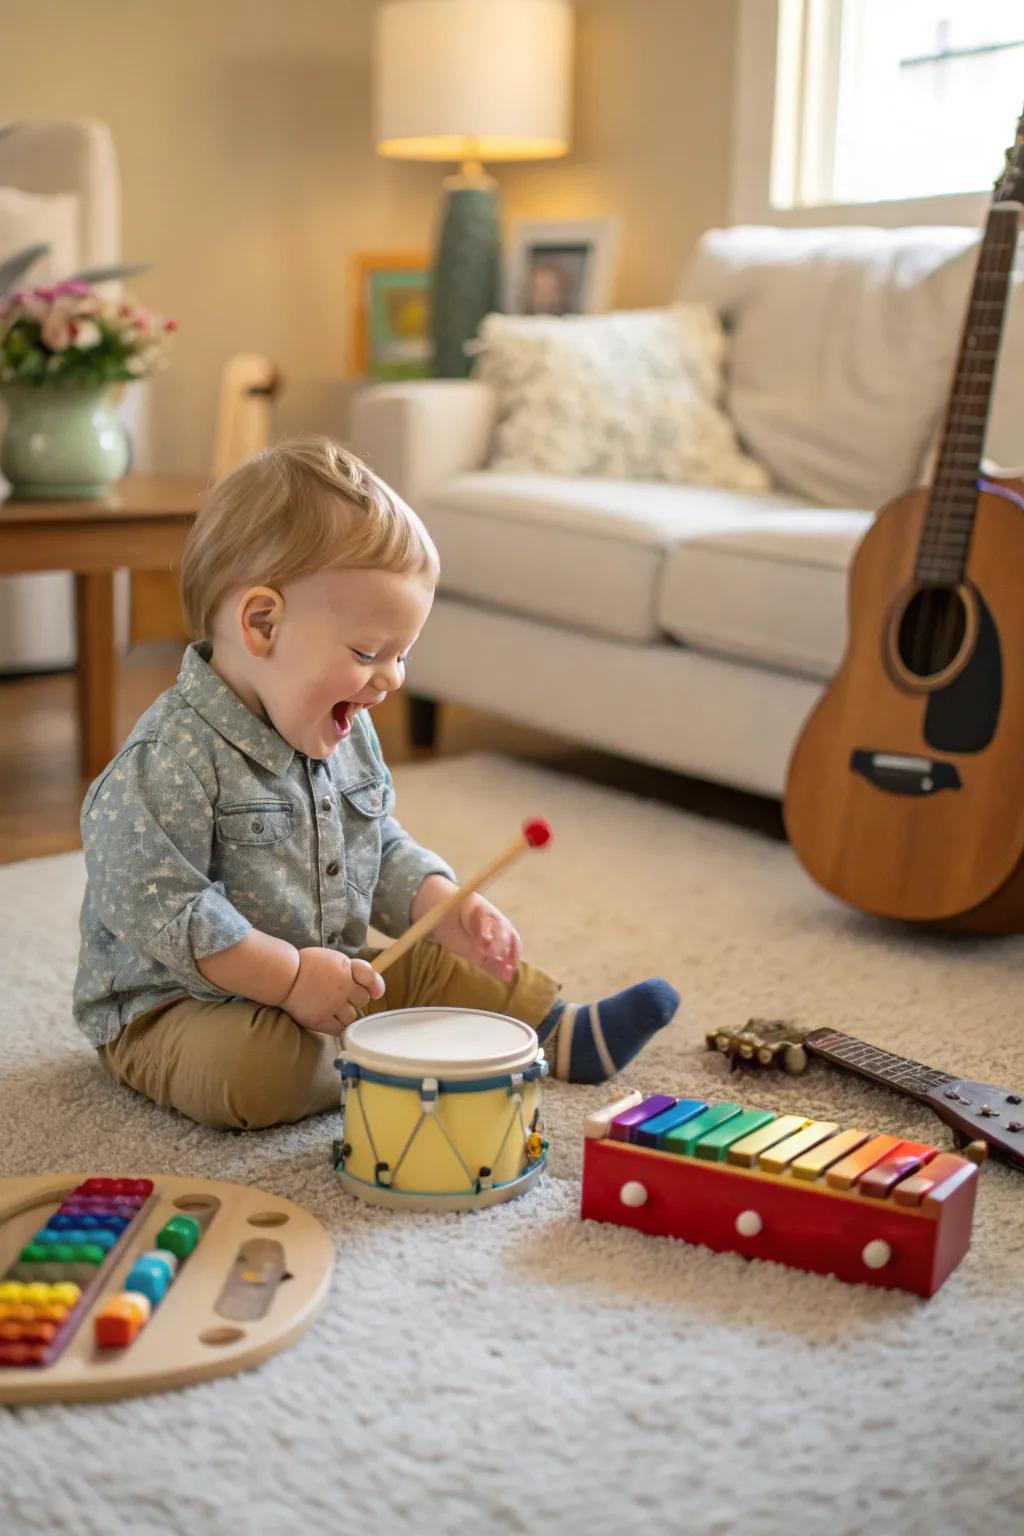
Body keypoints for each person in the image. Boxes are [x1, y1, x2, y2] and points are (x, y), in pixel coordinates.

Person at [73, 437, 679, 1129]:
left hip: (319, 974)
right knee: (260, 1074)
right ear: (262, 623)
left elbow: (378, 844)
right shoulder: (167, 758)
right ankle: (394, 1055)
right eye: (368, 653)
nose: (392, 679)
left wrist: (444, 904)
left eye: (402, 655)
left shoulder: (342, 729)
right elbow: (170, 913)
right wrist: (291, 979)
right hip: (176, 1007)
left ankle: (558, 1028)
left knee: (428, 960)